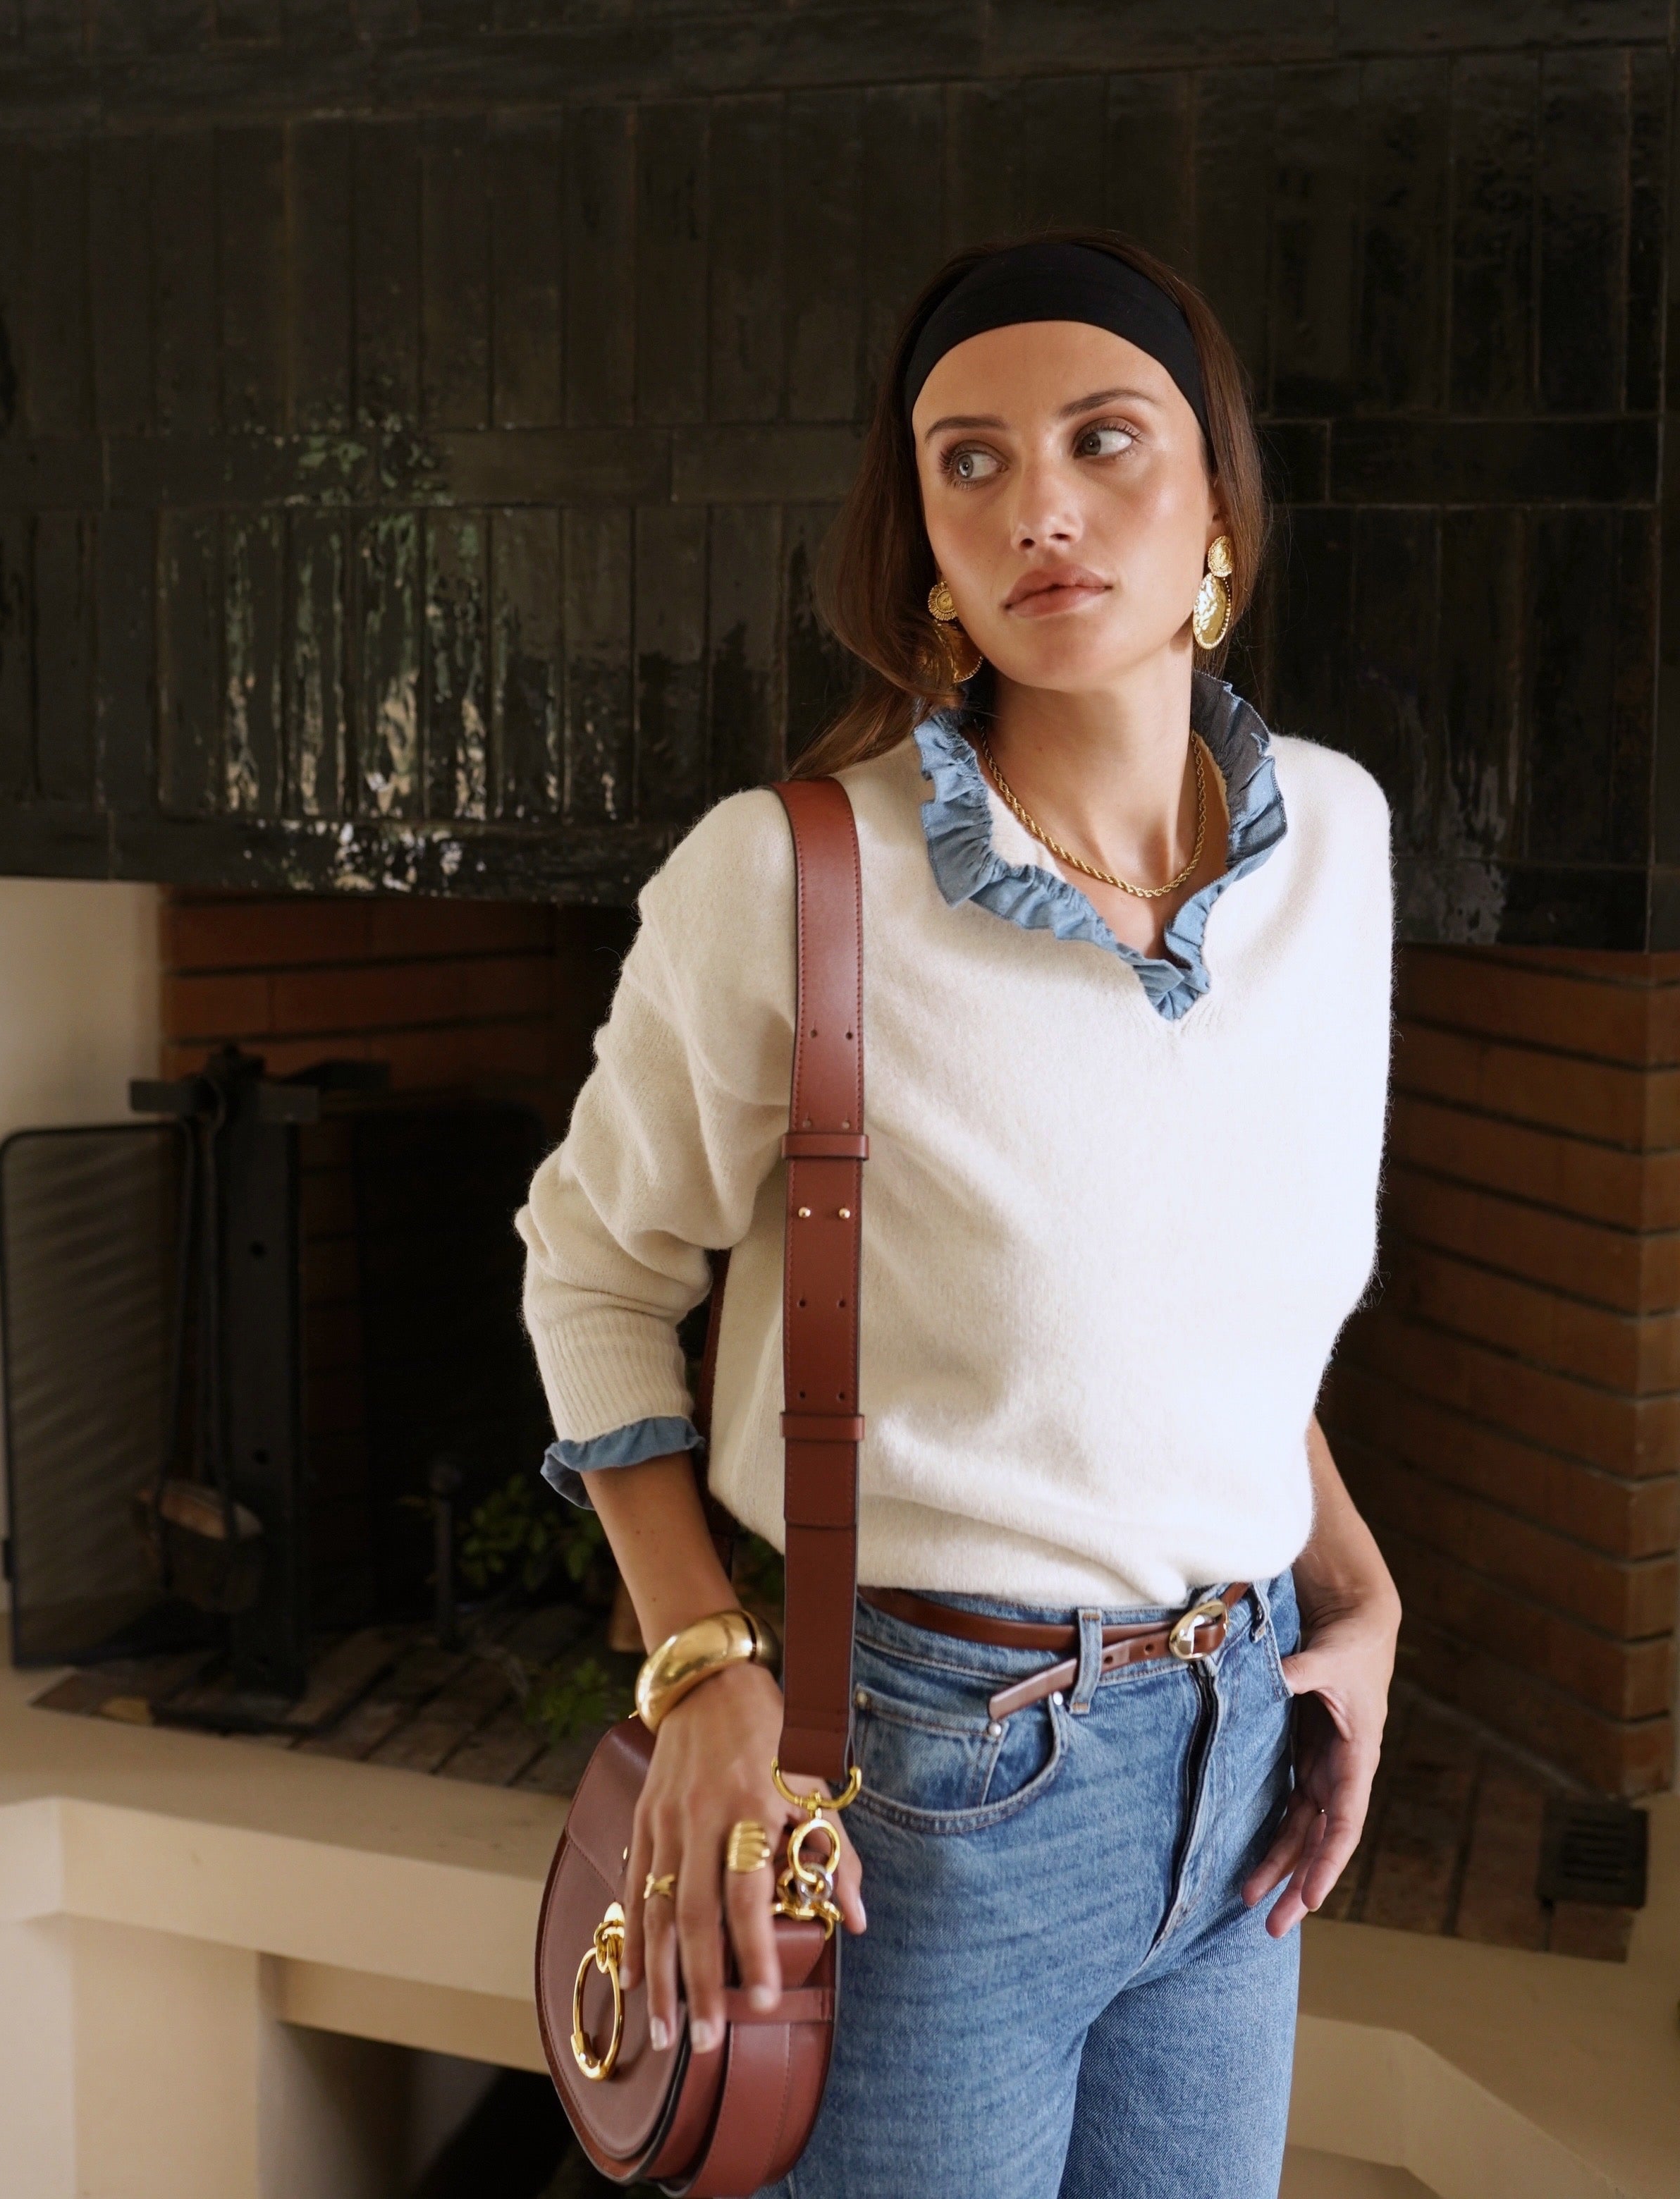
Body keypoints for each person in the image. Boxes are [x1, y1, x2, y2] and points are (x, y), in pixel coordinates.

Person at [520, 233, 1399, 2199]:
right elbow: (588, 1270)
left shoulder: (1338, 847)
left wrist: (1357, 1586)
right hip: (921, 1787)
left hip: (1242, 1761)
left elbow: (1220, 1307)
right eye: (970, 461)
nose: (1040, 508)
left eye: (1106, 440)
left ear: (1219, 505)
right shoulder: (794, 881)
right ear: (923, 538)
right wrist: (701, 1660)